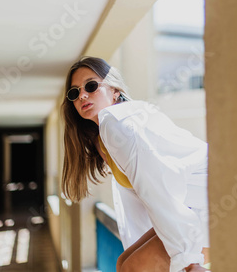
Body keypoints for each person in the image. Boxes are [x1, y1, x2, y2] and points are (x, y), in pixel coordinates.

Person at [61, 56, 210, 272]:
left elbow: (157, 184)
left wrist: (189, 262)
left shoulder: (118, 124)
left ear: (115, 90)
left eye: (91, 86)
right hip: (192, 204)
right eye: (74, 92)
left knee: (131, 268)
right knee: (124, 263)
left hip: (209, 203)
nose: (82, 94)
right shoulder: (106, 134)